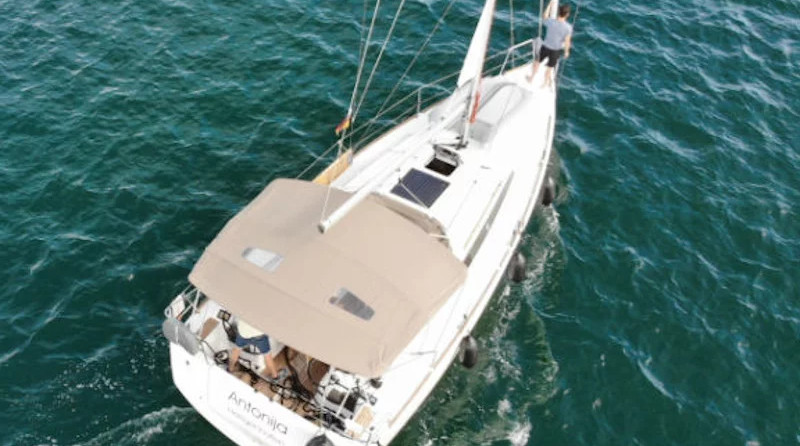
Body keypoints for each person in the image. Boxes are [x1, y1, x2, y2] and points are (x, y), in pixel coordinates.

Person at [528, 2, 573, 88]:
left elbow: (544, 16)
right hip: (556, 50)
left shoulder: (551, 21)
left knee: (537, 62)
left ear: (559, 12)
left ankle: (531, 78)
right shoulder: (568, 28)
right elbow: (567, 41)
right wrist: (566, 52)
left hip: (545, 47)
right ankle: (545, 83)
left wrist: (550, 5)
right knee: (549, 68)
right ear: (567, 14)